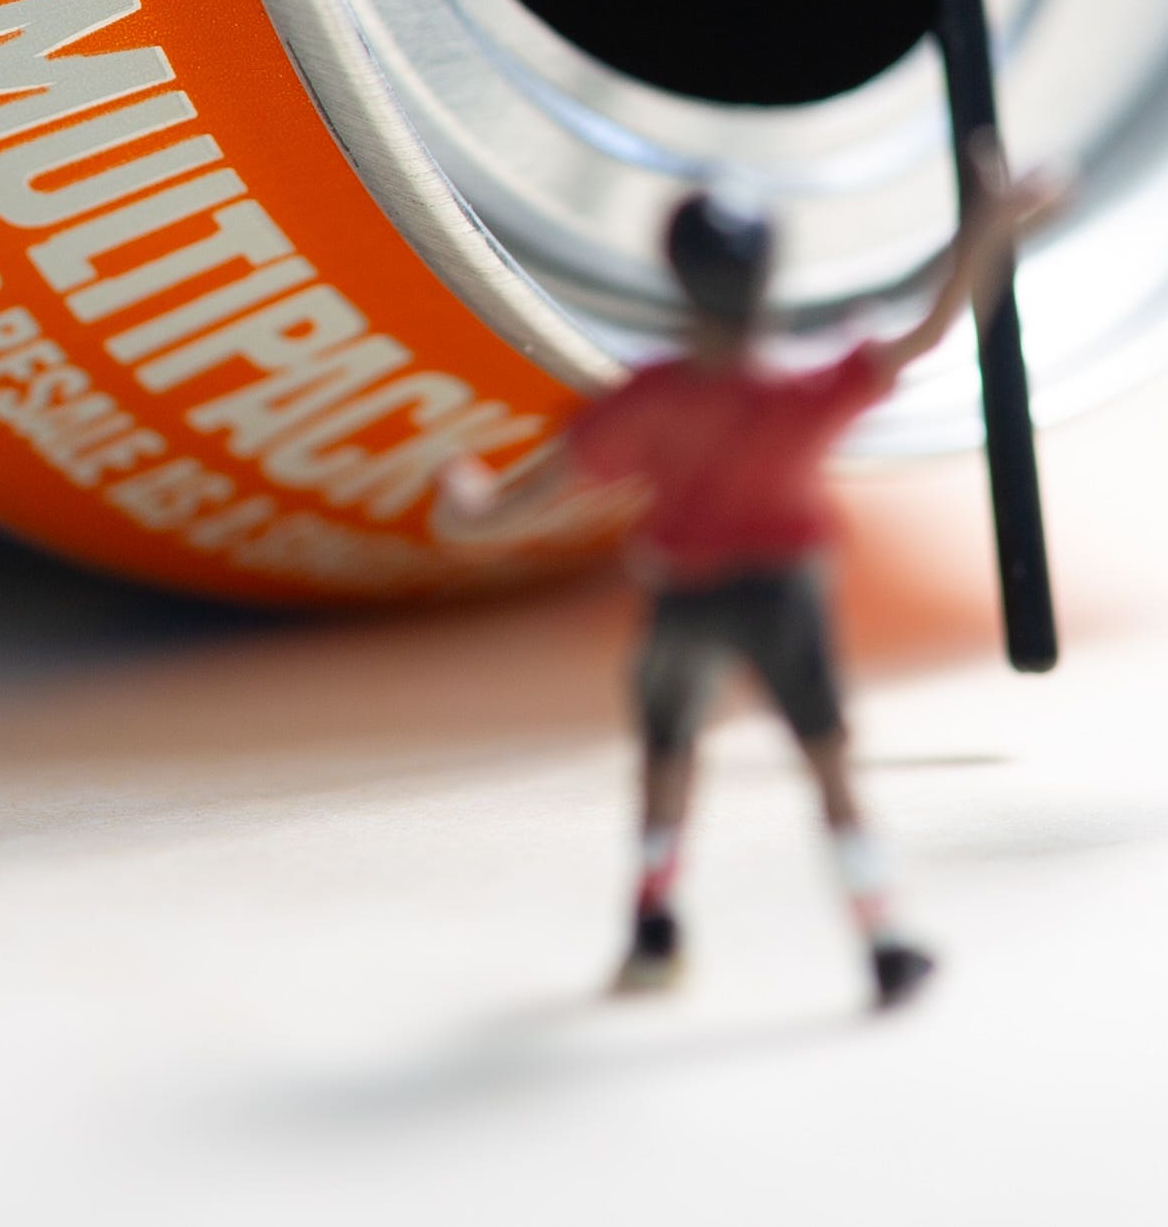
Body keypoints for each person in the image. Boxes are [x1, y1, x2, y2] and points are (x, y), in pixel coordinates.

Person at [438, 148, 1063, 1013]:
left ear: (676, 275)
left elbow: (544, 484)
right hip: (781, 593)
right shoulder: (800, 394)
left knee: (667, 756)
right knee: (827, 764)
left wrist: (472, 509)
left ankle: (652, 928)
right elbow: (927, 329)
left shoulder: (650, 399)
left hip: (685, 593)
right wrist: (990, 229)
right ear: (768, 279)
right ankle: (880, 938)